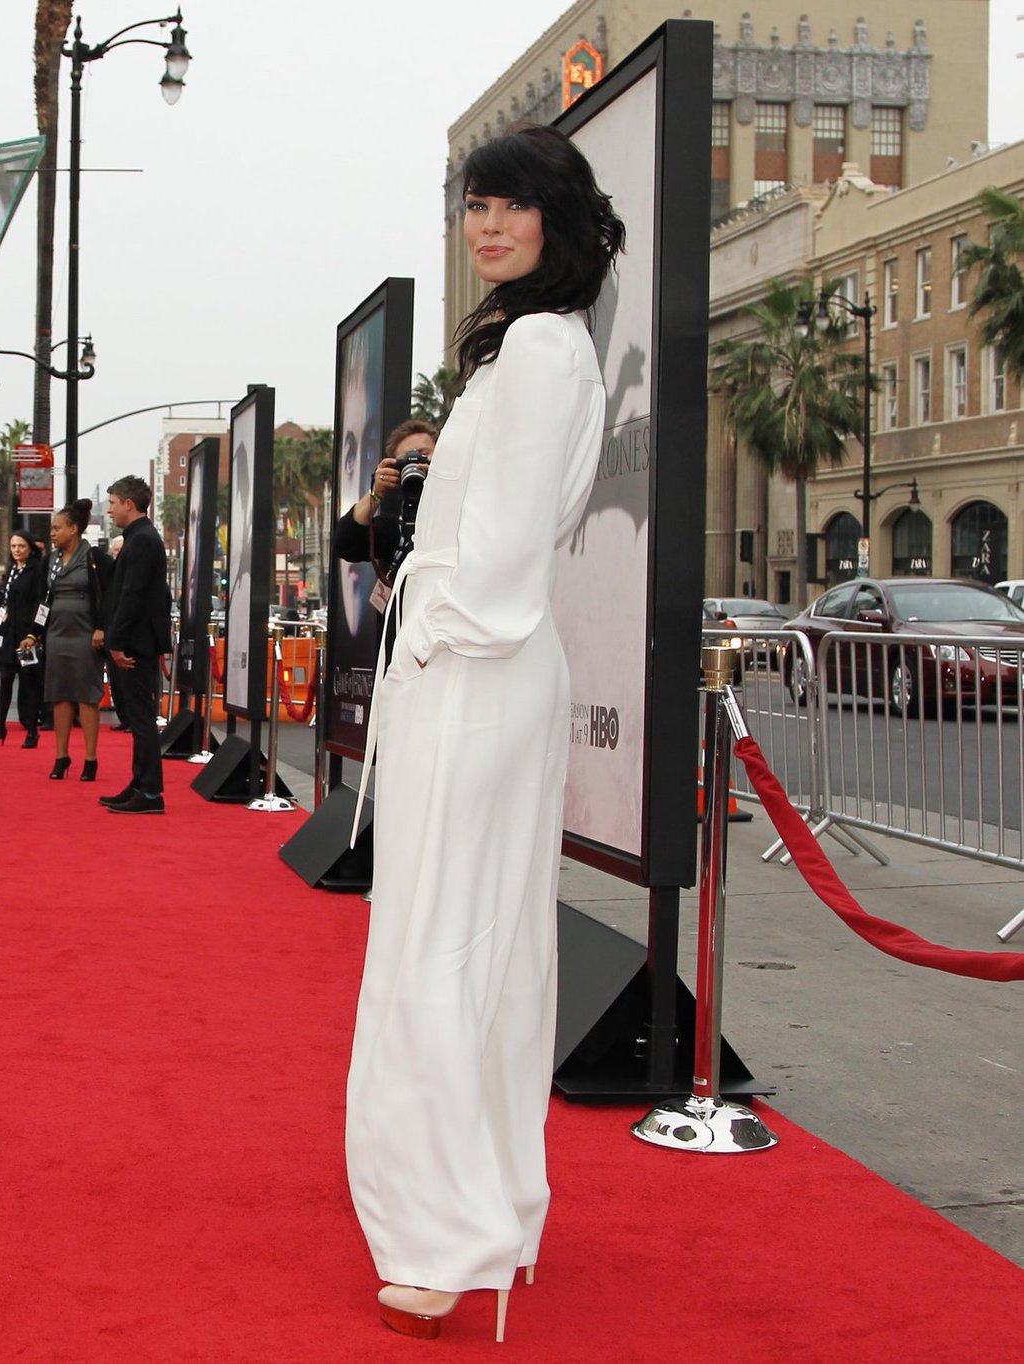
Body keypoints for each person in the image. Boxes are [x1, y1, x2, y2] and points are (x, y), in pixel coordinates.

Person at [345, 123, 622, 1344]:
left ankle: (444, 1234)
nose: (491, 225)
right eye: (477, 205)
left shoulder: (547, 349)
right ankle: (491, 1209)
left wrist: (429, 644)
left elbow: (504, 551)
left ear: (559, 218)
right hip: (482, 663)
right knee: (483, 944)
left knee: (441, 943)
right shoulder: (533, 343)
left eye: (514, 204)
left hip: (475, 664)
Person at [22, 499, 112, 782]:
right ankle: (61, 756)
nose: (52, 533)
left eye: (57, 528)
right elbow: (43, 600)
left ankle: (90, 758)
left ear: (73, 529)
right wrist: (33, 633)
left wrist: (102, 628)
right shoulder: (50, 561)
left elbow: (109, 597)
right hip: (56, 634)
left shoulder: (96, 559)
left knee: (87, 697)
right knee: (59, 696)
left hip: (86, 634)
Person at [98, 476, 174, 814]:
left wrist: (116, 642)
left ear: (129, 503)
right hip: (134, 641)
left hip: (135, 644)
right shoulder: (138, 537)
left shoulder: (143, 539)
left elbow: (133, 595)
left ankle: (150, 792)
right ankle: (140, 784)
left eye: (113, 503)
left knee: (141, 719)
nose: (109, 509)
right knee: (135, 718)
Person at [335, 419, 438, 639]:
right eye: (406, 460)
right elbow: (345, 544)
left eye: (423, 455)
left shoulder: (465, 512)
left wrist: (442, 481)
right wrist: (376, 493)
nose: (416, 465)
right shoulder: (394, 526)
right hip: (402, 637)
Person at [0, 532, 44, 748]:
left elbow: (41, 602)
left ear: (30, 548)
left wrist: (34, 633)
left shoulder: (37, 570)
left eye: (21, 546)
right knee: (5, 678)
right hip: (9, 633)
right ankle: (0, 727)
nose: (17, 550)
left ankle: (32, 730)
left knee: (28, 681)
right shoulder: (12, 570)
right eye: (13, 546)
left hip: (27, 634)